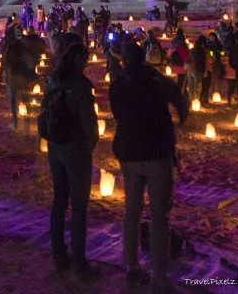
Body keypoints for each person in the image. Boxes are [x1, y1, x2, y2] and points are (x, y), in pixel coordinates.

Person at [109, 43, 187, 294]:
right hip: (156, 152)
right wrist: (178, 123)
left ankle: (130, 265)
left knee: (131, 211)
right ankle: (159, 277)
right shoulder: (156, 79)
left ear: (124, 60)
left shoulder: (117, 82)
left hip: (129, 152)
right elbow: (180, 100)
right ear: (143, 58)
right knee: (159, 216)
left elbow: (117, 113)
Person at [45, 42, 100, 281]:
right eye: (85, 58)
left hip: (55, 145)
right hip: (75, 147)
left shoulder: (53, 79)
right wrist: (91, 143)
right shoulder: (80, 85)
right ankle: (79, 262)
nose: (87, 62)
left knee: (59, 201)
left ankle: (58, 255)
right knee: (78, 207)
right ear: (77, 58)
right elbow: (89, 121)